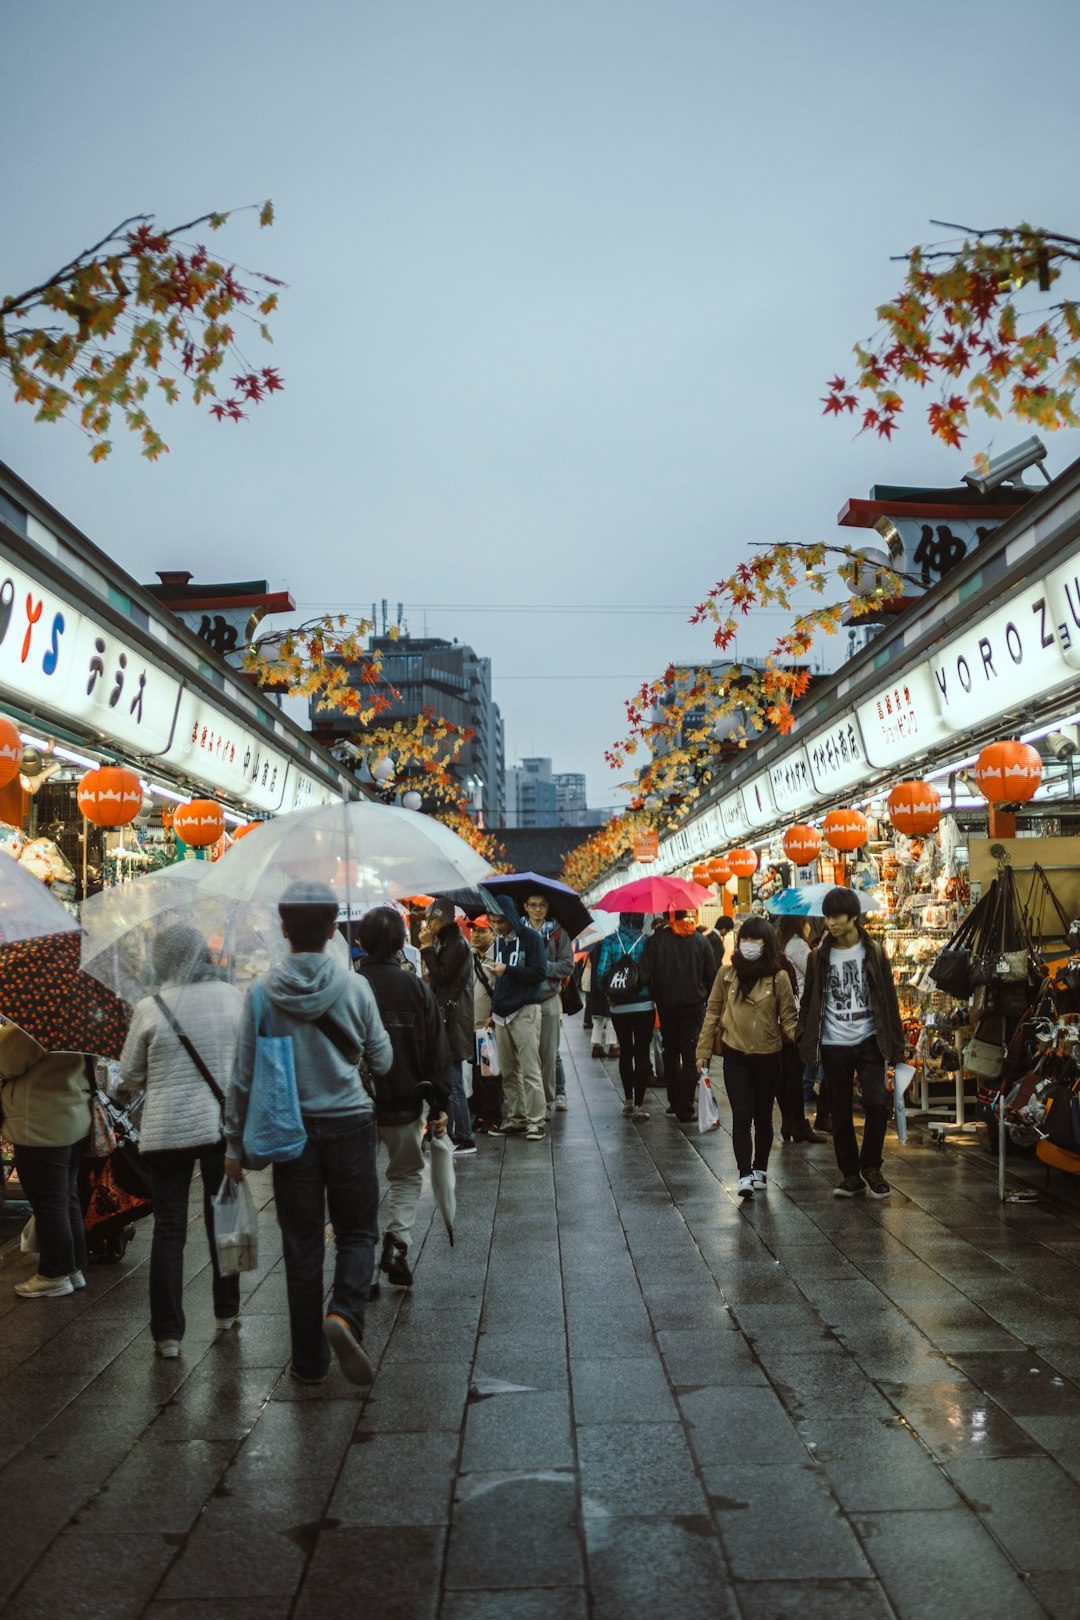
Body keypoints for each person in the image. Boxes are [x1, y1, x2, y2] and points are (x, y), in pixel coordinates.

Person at [224, 880, 394, 1388]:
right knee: (358, 1232)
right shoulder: (355, 986)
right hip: (350, 1124)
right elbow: (383, 1060)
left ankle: (308, 1362)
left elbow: (242, 1074)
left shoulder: (260, 993)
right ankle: (344, 1314)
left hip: (289, 1133)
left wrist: (234, 1143)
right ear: (331, 929)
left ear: (284, 930)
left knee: (301, 1246)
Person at [119, 924, 244, 1356]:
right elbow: (247, 1061)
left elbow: (131, 1077)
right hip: (221, 1126)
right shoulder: (232, 998)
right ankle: (227, 1310)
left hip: (168, 1130)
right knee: (225, 1216)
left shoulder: (150, 1007)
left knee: (170, 1229)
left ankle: (168, 1334)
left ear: (163, 961)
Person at [356, 907, 450, 1291]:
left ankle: (359, 1261)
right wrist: (440, 1104)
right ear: (401, 942)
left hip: (356, 1103)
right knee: (406, 1174)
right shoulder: (416, 988)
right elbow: (436, 1050)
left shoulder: (352, 984)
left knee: (359, 1182)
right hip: (406, 1100)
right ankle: (396, 1244)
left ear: (360, 942)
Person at [795, 887, 905, 1200]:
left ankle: (871, 1165)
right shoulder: (819, 956)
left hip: (870, 1040)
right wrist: (803, 1035)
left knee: (875, 1103)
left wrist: (897, 1046)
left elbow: (889, 1000)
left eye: (837, 916)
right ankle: (850, 1175)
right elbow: (809, 1001)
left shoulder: (875, 951)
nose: (831, 922)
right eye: (827, 916)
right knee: (840, 1110)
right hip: (833, 1043)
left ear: (853, 917)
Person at [696, 917, 797, 1197]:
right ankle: (744, 1174)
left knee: (763, 1115)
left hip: (769, 1056)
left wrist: (807, 1041)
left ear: (767, 944)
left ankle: (760, 1169)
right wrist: (703, 1052)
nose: (749, 945)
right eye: (746, 940)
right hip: (735, 1056)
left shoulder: (779, 978)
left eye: (756, 940)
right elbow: (712, 1013)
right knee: (742, 1114)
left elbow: (789, 1018)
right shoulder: (726, 975)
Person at [0, 1025, 90, 1298]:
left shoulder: (38, 1023)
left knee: (48, 1202)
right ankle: (72, 1267)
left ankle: (55, 1273)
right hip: (72, 1115)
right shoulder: (79, 1019)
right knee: (66, 1196)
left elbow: (7, 1059)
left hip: (40, 1122)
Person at [418, 899, 476, 1156]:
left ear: (439, 919)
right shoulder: (450, 940)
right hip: (449, 1017)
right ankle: (452, 1131)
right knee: (448, 1076)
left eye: (429, 919)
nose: (426, 924)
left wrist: (428, 948)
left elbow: (441, 976)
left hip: (452, 1020)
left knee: (452, 1079)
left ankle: (463, 1136)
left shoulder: (456, 944)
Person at [487, 898, 548, 1140]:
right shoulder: (500, 942)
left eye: (500, 921)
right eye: (493, 922)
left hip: (524, 1009)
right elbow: (501, 980)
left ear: (511, 917)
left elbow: (540, 972)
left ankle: (536, 1120)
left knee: (530, 1068)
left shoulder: (531, 939)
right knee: (509, 1070)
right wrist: (493, 1009)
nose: (497, 926)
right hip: (501, 1013)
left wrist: (508, 970)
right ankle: (517, 1117)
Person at [641, 910, 711, 1122]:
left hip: (667, 1006)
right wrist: (702, 995)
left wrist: (656, 992)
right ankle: (686, 1107)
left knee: (670, 1052)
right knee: (690, 1055)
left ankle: (673, 1101)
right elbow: (711, 973)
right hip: (694, 1006)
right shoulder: (700, 940)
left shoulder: (656, 941)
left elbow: (646, 972)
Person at [596, 912, 654, 1119]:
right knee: (642, 1053)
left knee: (625, 1052)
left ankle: (628, 1100)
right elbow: (653, 973)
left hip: (619, 1006)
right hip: (644, 1005)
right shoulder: (647, 942)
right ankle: (639, 1104)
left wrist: (609, 994)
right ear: (640, 920)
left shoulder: (610, 941)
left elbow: (601, 972)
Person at [521, 891, 575, 1112]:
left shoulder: (558, 933)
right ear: (525, 906)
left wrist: (542, 968)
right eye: (532, 905)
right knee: (525, 1050)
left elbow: (567, 965)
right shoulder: (517, 932)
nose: (537, 910)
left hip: (548, 997)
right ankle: (530, 1099)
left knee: (549, 1051)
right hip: (522, 998)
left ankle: (549, 1098)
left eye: (542, 905)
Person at [773, 916, 824, 1144]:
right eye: (806, 923)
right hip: (796, 1014)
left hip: (779, 1015)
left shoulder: (780, 943)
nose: (809, 926)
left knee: (784, 1074)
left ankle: (789, 1120)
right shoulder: (798, 945)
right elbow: (816, 971)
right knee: (794, 1072)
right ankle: (798, 1123)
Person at [468, 916, 503, 1133]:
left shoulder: (498, 959)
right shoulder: (468, 957)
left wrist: (495, 1015)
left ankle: (492, 1116)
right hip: (469, 1025)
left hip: (488, 1026)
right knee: (474, 1073)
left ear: (493, 934)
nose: (475, 935)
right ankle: (479, 1113)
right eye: (473, 931)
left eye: (481, 931)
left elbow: (501, 990)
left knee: (490, 1074)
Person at [705, 915, 735, 979]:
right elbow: (715, 961)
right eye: (728, 930)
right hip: (713, 977)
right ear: (724, 928)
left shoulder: (709, 936)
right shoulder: (716, 940)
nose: (727, 933)